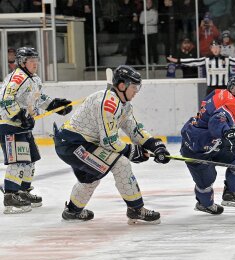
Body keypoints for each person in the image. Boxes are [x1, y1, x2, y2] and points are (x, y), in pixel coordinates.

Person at [53, 65, 170, 224]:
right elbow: (109, 141)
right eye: (134, 86)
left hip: (79, 143)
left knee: (91, 177)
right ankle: (136, 209)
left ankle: (72, 212)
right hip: (72, 144)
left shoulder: (123, 104)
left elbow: (133, 129)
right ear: (122, 86)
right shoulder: (108, 104)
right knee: (120, 163)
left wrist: (155, 145)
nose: (136, 91)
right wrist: (131, 151)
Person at [0, 47, 73, 214]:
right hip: (10, 125)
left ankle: (23, 191)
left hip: (23, 126)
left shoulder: (33, 79)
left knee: (30, 159)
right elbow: (5, 100)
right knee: (18, 160)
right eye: (31, 61)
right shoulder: (17, 78)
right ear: (22, 62)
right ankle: (10, 195)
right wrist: (18, 115)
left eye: (36, 60)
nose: (35, 64)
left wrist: (55, 105)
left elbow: (38, 98)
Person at [180, 74, 235, 215]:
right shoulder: (230, 104)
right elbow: (216, 121)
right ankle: (204, 204)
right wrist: (228, 132)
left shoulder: (222, 94)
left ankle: (231, 194)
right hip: (196, 148)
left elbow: (217, 111)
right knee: (206, 181)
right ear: (234, 90)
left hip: (212, 143)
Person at [167, 39, 235, 95]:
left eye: (217, 47)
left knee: (227, 111)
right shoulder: (207, 59)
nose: (215, 49)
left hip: (224, 89)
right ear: (211, 49)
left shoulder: (227, 59)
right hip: (211, 89)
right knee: (206, 112)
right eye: (213, 47)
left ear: (220, 48)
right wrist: (178, 61)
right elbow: (193, 61)